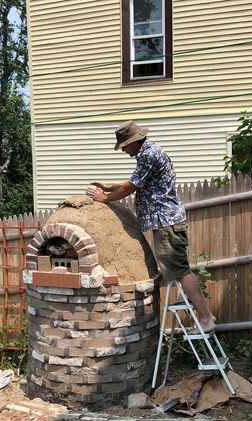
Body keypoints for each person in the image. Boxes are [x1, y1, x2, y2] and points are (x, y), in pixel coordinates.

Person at [86, 120, 215, 333]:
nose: (124, 151)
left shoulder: (148, 155)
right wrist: (111, 186)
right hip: (166, 223)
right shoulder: (150, 152)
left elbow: (132, 186)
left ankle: (206, 318)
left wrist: (105, 198)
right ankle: (206, 315)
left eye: (124, 146)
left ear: (134, 141)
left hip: (166, 223)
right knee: (180, 269)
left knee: (181, 271)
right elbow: (138, 182)